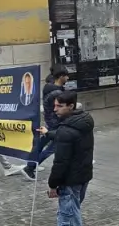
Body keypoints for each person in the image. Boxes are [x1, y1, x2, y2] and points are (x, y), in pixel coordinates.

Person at [38, 91, 94, 226]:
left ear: (71, 106)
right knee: (73, 212)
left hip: (70, 180)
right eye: (55, 105)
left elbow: (60, 163)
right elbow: (66, 135)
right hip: (83, 176)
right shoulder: (83, 121)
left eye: (59, 106)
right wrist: (48, 133)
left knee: (67, 219)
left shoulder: (66, 130)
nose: (55, 109)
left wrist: (52, 185)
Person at [22, 66, 69, 180]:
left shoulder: (50, 87)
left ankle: (30, 163)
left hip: (50, 120)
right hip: (56, 123)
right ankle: (30, 167)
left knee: (41, 143)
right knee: (52, 148)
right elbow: (62, 109)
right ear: (61, 77)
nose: (68, 78)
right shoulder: (57, 92)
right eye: (66, 76)